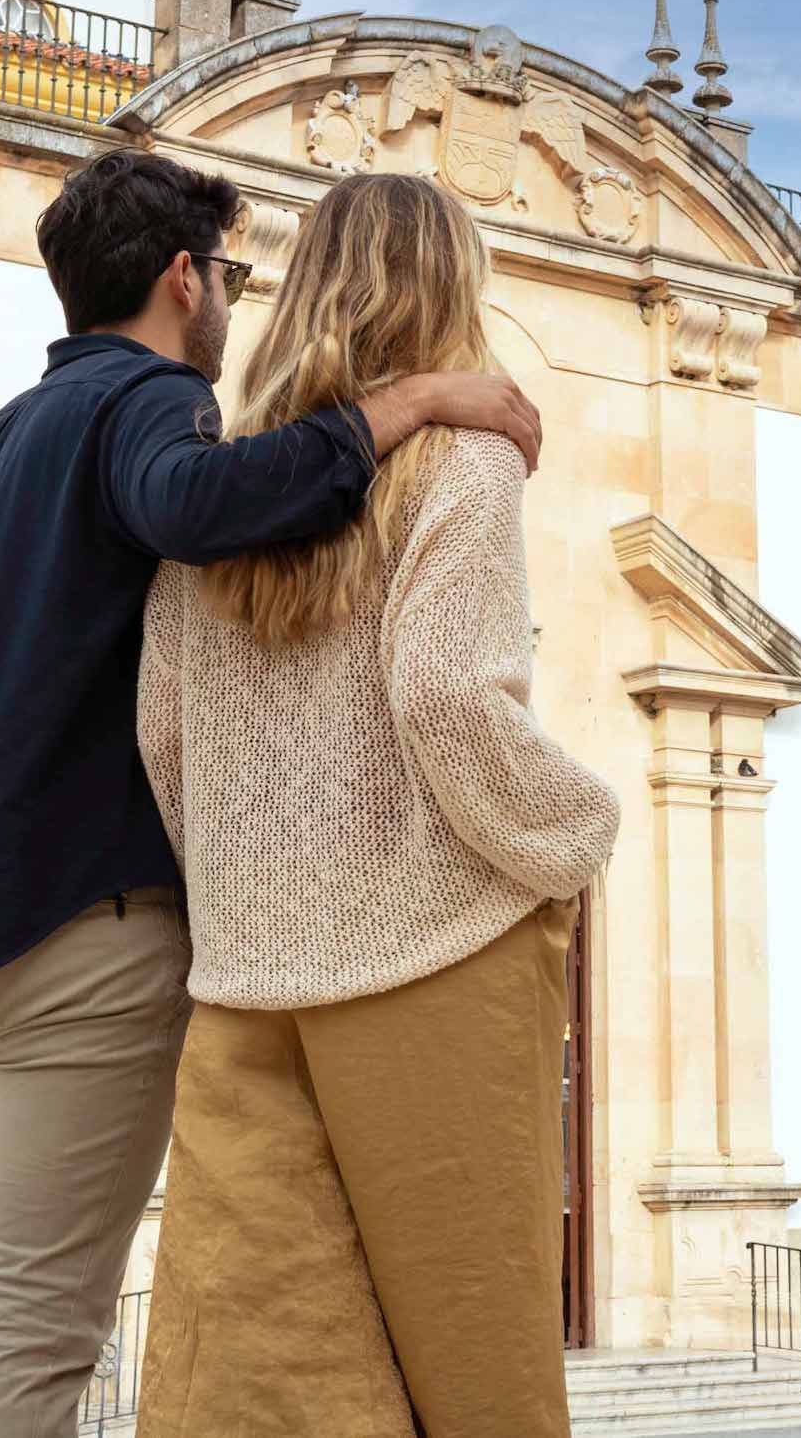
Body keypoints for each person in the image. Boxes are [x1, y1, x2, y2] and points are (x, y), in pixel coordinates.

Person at [0, 150, 539, 1438]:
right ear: (185, 277)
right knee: (36, 1323)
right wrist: (411, 399)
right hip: (81, 938)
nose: (232, 301)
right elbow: (191, 503)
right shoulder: (149, 401)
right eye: (227, 273)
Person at [130, 172, 617, 1438]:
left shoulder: (216, 488)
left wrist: (241, 885)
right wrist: (575, 831)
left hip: (245, 974)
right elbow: (446, 691)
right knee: (476, 1359)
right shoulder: (465, 453)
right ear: (449, 285)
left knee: (258, 1373)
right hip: (435, 957)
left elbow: (163, 735)